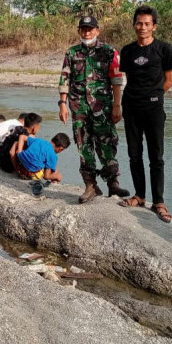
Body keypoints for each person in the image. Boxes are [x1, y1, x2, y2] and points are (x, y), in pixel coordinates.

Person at [59, 15, 129, 204]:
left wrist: (117, 105)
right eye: (83, 29)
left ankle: (113, 183)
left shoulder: (109, 52)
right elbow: (65, 78)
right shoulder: (72, 53)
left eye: (90, 29)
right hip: (79, 106)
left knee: (107, 143)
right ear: (79, 31)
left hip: (103, 107)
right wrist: (62, 104)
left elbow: (116, 80)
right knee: (84, 145)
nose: (87, 32)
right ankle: (90, 185)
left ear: (97, 30)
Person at [118, 6, 172, 223]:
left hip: (153, 109)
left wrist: (154, 96)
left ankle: (159, 201)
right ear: (134, 25)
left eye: (147, 23)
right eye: (139, 23)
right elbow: (125, 78)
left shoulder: (164, 49)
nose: (142, 27)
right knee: (134, 154)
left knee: (156, 157)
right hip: (131, 107)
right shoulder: (127, 51)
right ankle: (140, 196)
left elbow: (169, 80)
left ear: (154, 26)